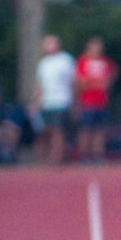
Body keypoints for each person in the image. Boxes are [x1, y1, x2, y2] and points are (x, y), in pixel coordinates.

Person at [74, 37, 118, 162]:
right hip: (87, 102)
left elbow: (113, 74)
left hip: (102, 101)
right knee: (85, 130)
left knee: (100, 130)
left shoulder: (106, 61)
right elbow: (81, 82)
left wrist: (107, 82)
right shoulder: (83, 61)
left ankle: (98, 154)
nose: (97, 49)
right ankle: (84, 155)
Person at [34, 34, 75, 163]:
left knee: (58, 130)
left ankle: (56, 157)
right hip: (46, 102)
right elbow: (39, 84)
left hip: (61, 100)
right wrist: (36, 101)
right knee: (46, 130)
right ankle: (48, 156)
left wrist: (74, 101)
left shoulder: (66, 60)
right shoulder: (43, 63)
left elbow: (73, 81)